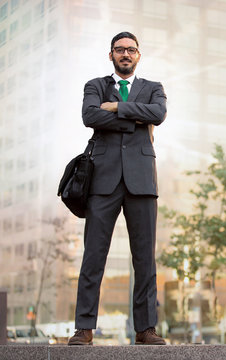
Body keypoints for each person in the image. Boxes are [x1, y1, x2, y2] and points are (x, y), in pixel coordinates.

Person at [68, 32, 167, 346]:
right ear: (110, 54)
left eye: (131, 50)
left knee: (144, 260)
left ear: (139, 55)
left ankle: (145, 329)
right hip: (103, 180)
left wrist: (115, 108)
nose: (126, 54)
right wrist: (132, 118)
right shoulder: (95, 86)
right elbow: (89, 115)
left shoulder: (154, 88)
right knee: (94, 256)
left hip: (142, 181)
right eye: (120, 49)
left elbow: (159, 114)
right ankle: (84, 328)